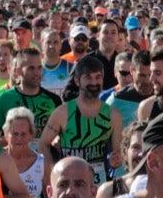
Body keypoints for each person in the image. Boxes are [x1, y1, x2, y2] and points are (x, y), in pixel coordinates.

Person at [38, 54, 122, 185]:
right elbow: (42, 144)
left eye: (98, 77)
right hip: (69, 183)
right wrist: (55, 168)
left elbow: (117, 153)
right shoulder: (63, 112)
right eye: (88, 77)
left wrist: (116, 159)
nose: (94, 83)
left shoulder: (113, 115)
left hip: (98, 185)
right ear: (77, 81)